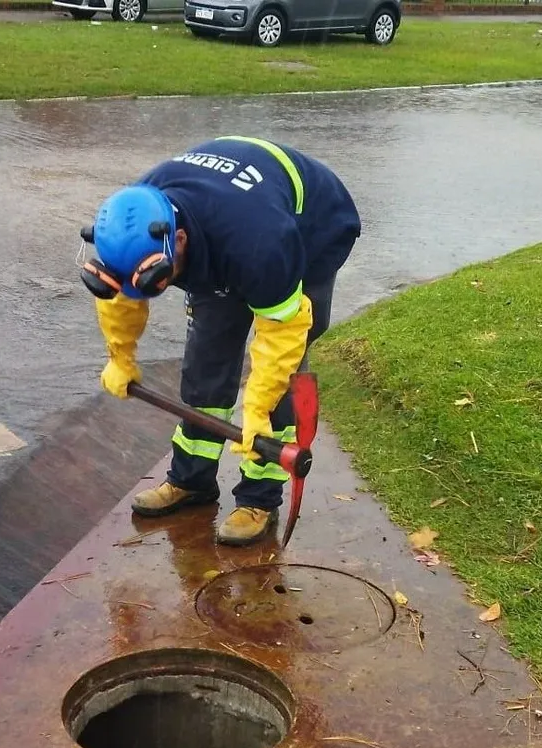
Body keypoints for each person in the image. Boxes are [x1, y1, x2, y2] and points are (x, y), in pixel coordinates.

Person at [78, 136, 361, 546]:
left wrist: (258, 406)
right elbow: (121, 298)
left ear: (178, 241)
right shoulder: (135, 217)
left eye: (158, 277)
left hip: (313, 227)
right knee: (206, 360)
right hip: (226, 227)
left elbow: (282, 333)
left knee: (279, 381)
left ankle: (259, 498)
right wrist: (121, 357)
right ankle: (191, 480)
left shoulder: (260, 243)